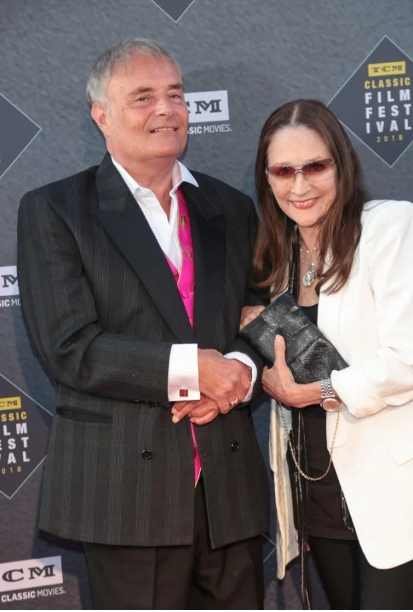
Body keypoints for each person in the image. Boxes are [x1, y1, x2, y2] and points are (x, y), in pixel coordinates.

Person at [17, 38, 270, 610]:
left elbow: (260, 311)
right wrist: (194, 370)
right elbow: (68, 347)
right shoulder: (56, 209)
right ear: (101, 115)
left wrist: (237, 373)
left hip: (229, 489)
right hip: (125, 496)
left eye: (176, 95)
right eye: (143, 97)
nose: (166, 109)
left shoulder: (229, 208)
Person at [241, 99, 413, 610]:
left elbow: (409, 362)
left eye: (315, 166)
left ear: (342, 164)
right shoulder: (278, 260)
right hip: (318, 485)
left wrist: (311, 392)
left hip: (394, 482)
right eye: (284, 171)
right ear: (267, 180)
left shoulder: (389, 226)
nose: (300, 186)